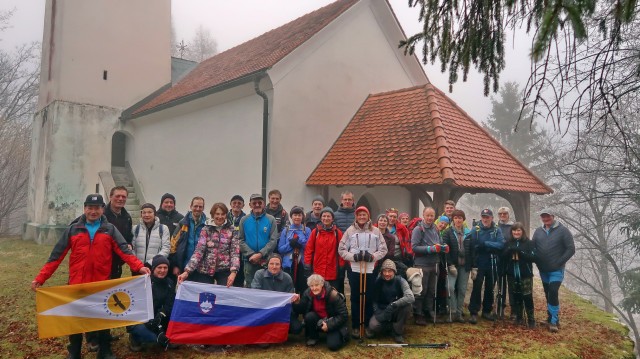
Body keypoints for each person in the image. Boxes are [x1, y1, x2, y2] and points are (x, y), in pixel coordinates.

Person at [30, 194, 150, 359]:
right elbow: (56, 257)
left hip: (101, 285)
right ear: (85, 209)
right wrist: (40, 278)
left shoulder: (110, 229)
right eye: (90, 208)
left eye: (97, 208)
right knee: (76, 320)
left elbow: (124, 251)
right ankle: (74, 351)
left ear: (102, 209)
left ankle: (105, 350)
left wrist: (139, 267)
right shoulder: (73, 229)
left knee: (102, 318)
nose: (93, 211)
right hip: (77, 284)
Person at [338, 206, 387, 338]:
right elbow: (341, 249)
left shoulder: (376, 231)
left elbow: (383, 249)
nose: (361, 217)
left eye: (364, 215)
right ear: (356, 216)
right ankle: (355, 325)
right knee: (355, 297)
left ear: (368, 216)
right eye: (359, 215)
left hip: (370, 268)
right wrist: (353, 257)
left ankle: (367, 325)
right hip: (355, 268)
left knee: (368, 296)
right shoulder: (350, 230)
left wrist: (373, 256)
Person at [531, 208, 575, 333]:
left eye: (548, 216)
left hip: (556, 270)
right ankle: (550, 317)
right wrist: (535, 258)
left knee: (553, 291)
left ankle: (554, 321)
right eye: (543, 217)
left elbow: (571, 249)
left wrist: (560, 261)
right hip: (543, 269)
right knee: (547, 293)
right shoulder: (538, 231)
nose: (546, 219)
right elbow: (533, 246)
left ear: (553, 216)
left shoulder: (563, 231)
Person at [177, 203, 240, 286]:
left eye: (223, 214)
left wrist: (233, 272)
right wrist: (187, 271)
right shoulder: (206, 229)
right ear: (213, 215)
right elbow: (199, 251)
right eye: (217, 214)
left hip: (224, 270)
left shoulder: (232, 230)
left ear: (226, 215)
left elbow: (235, 252)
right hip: (205, 270)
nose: (220, 217)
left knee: (224, 295)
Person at [128, 255, 175, 352]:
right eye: (159, 267)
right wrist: (149, 320)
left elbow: (170, 303)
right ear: (153, 269)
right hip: (143, 319)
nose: (162, 270)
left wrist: (161, 314)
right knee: (153, 341)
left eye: (165, 268)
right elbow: (136, 306)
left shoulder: (170, 283)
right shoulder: (144, 283)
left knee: (164, 339)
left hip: (160, 317)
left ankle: (163, 333)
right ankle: (135, 338)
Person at [411, 207, 448, 325]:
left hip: (434, 263)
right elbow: (414, 247)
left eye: (432, 216)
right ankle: (418, 314)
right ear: (423, 215)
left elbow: (440, 242)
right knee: (421, 290)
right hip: (422, 264)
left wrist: (443, 247)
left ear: (435, 216)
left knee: (431, 290)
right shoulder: (418, 229)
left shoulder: (435, 229)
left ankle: (429, 312)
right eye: (427, 215)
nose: (430, 218)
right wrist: (430, 249)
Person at [467, 209, 505, 324]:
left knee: (490, 288)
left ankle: (486, 311)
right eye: (483, 217)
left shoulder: (497, 230)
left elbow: (501, 244)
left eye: (487, 217)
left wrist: (485, 244)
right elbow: (470, 243)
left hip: (492, 263)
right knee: (477, 287)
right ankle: (473, 312)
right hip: (479, 263)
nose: (485, 219)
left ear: (492, 218)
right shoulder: (476, 229)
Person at [293, 274, 350, 351]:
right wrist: (296, 303)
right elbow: (301, 309)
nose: (314, 288)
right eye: (312, 286)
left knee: (333, 346)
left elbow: (343, 315)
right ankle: (313, 337)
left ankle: (341, 336)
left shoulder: (333, 295)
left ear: (322, 284)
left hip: (332, 320)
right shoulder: (308, 293)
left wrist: (329, 325)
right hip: (318, 319)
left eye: (316, 285)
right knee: (309, 316)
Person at [251, 254, 302, 337]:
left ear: (281, 265)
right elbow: (255, 293)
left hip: (281, 310)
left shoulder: (287, 278)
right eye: (271, 264)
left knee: (297, 328)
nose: (274, 267)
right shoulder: (259, 274)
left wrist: (295, 300)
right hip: (264, 310)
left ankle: (276, 329)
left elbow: (289, 300)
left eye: (277, 264)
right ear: (267, 264)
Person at [366, 260, 414, 343]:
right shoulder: (378, 281)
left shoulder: (401, 281)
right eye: (384, 271)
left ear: (394, 272)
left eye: (390, 271)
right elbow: (373, 299)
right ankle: (390, 327)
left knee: (407, 306)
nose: (387, 274)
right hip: (382, 309)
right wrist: (377, 311)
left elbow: (410, 297)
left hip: (396, 309)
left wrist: (394, 305)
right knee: (373, 326)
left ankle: (397, 332)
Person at [239, 193, 278, 287]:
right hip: (249, 260)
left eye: (259, 202)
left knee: (266, 286)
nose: (257, 205)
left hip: (266, 260)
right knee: (250, 286)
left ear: (263, 204)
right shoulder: (244, 220)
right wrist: (252, 255)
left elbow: (273, 240)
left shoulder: (271, 219)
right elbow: (240, 240)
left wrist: (260, 254)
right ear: (250, 204)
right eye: (254, 202)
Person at [304, 207, 346, 293]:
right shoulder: (315, 232)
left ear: (332, 218)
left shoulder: (337, 233)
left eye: (328, 216)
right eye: (324, 216)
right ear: (321, 218)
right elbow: (309, 250)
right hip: (318, 270)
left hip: (333, 271)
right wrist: (307, 264)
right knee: (318, 294)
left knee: (332, 296)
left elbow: (341, 251)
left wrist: (341, 266)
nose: (326, 218)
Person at [503, 222, 536, 329]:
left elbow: (533, 257)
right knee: (516, 295)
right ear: (511, 231)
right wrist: (508, 251)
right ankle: (519, 317)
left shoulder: (529, 243)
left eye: (518, 230)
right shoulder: (508, 242)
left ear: (522, 231)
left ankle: (531, 319)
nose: (516, 232)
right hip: (512, 273)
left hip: (525, 274)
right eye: (514, 230)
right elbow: (503, 256)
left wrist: (520, 252)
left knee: (527, 296)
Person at [442, 209, 471, 323]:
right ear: (452, 219)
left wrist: (474, 267)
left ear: (463, 219)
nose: (458, 220)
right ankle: (452, 311)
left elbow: (472, 250)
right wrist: (450, 264)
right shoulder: (448, 232)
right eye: (455, 218)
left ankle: (459, 313)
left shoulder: (468, 233)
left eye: (460, 218)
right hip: (452, 266)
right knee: (450, 287)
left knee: (462, 289)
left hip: (465, 266)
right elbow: (445, 249)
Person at [169, 197, 207, 278]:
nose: (197, 209)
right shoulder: (183, 223)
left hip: (202, 268)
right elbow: (173, 245)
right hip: (184, 266)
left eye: (200, 207)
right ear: (190, 207)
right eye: (195, 206)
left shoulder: (207, 224)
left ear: (203, 208)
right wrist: (175, 265)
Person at [278, 206, 311, 293]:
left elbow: (309, 247)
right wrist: (290, 244)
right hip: (288, 265)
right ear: (291, 216)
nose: (297, 217)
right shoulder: (286, 230)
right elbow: (280, 249)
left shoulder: (306, 230)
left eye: (299, 215)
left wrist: (300, 241)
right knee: (289, 288)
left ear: (302, 217)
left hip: (302, 265)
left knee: (302, 289)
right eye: (295, 215)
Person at [104, 186, 133, 279]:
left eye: (123, 197)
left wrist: (129, 244)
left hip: (117, 263)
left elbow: (128, 237)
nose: (120, 199)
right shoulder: (100, 215)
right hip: (101, 261)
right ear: (110, 197)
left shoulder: (127, 218)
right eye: (117, 196)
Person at [131, 203, 170, 269]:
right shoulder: (135, 229)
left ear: (154, 214)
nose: (146, 215)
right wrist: (137, 264)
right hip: (138, 268)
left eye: (149, 212)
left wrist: (151, 263)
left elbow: (166, 249)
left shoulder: (163, 229)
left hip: (155, 268)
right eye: (144, 212)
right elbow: (132, 248)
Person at [375, 214, 408, 279]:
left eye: (385, 221)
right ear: (377, 222)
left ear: (387, 223)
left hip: (385, 263)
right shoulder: (372, 235)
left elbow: (390, 253)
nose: (382, 222)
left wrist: (378, 255)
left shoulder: (391, 237)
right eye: (381, 220)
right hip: (373, 263)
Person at [497, 206, 515, 320]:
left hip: (511, 259)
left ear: (509, 215)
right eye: (500, 214)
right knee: (500, 285)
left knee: (512, 285)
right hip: (499, 259)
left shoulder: (514, 227)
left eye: (505, 214)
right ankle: (500, 307)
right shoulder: (495, 226)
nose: (503, 216)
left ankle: (514, 309)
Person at [227, 194, 246, 286]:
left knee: (239, 282)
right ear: (230, 204)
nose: (237, 205)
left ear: (243, 205)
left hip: (241, 254)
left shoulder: (247, 219)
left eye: (239, 203)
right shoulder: (224, 217)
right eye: (234, 203)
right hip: (226, 254)